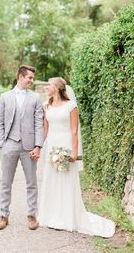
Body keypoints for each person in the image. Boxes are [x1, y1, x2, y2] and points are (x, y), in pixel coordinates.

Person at [38, 77, 115, 237]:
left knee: (65, 180)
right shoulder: (46, 106)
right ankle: (50, 215)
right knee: (51, 180)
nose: (46, 87)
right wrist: (38, 147)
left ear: (58, 87)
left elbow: (74, 131)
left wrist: (74, 152)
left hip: (65, 146)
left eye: (49, 85)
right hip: (51, 146)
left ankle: (66, 218)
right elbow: (45, 131)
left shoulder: (71, 106)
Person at [0, 65, 44, 230]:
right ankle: (3, 216)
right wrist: (2, 143)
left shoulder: (36, 98)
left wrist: (38, 146)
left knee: (31, 182)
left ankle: (31, 215)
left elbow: (39, 123)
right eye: (29, 77)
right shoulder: (4, 97)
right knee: (6, 183)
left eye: (32, 78)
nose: (32, 80)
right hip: (9, 144)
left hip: (29, 147)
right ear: (20, 76)